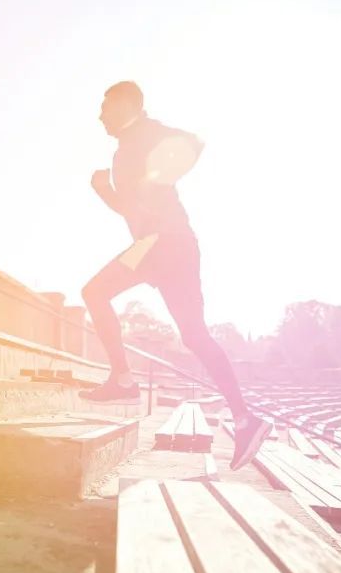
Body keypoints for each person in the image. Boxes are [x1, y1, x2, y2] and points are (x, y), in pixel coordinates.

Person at [79, 80, 271, 470]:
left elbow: (195, 143)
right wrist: (104, 191)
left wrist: (159, 175)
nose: (100, 117)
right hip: (154, 245)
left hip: (166, 244)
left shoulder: (147, 132)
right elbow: (132, 209)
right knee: (190, 333)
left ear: (127, 105)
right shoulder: (122, 151)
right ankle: (244, 419)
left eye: (106, 107)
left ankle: (125, 381)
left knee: (97, 294)